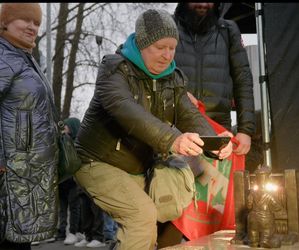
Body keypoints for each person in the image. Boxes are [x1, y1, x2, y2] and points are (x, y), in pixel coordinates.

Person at [74, 9, 232, 250]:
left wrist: (214, 142)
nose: (167, 55)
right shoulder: (115, 69)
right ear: (141, 43)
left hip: (137, 166)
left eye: (172, 48)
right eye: (160, 47)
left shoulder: (173, 79)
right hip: (97, 161)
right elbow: (126, 111)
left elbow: (189, 114)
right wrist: (173, 140)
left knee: (162, 214)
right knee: (141, 217)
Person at [0, 3, 59, 250]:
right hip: (9, 168)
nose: (32, 27)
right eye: (25, 20)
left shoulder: (22, 56)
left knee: (17, 238)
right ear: (5, 22)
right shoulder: (4, 56)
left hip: (24, 168)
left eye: (36, 23)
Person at [173, 3, 255, 156]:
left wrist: (245, 130)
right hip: (175, 127)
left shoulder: (228, 30)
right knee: (174, 178)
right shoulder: (169, 27)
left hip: (218, 130)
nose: (203, 4)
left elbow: (242, 81)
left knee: (216, 180)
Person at [55, 117, 85, 245]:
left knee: (74, 207)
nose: (64, 129)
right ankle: (61, 231)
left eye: (66, 126)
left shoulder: (77, 143)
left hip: (73, 181)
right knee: (62, 207)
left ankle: (74, 232)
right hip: (62, 181)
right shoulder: (61, 141)